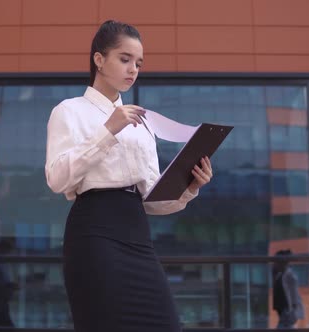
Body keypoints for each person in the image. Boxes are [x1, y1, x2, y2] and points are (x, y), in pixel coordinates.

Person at [45, 20, 214, 331]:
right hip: (94, 233)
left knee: (165, 323)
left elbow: (152, 199)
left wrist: (189, 186)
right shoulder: (68, 111)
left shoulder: (143, 123)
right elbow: (57, 179)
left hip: (137, 233)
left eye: (138, 63)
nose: (133, 69)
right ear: (99, 59)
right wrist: (108, 130)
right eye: (124, 59)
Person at [272, 249, 305, 329]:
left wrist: (292, 310)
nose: (274, 264)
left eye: (276, 262)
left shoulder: (289, 276)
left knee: (283, 327)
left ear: (282, 263)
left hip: (287, 311)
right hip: (283, 311)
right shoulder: (279, 275)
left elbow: (294, 295)